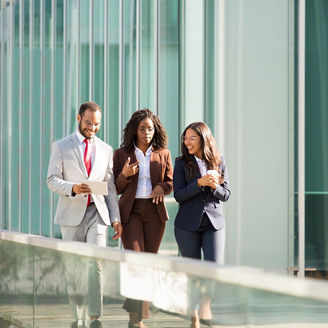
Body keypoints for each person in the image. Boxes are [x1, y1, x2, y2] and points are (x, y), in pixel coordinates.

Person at [47, 101, 122, 328]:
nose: (92, 127)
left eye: (97, 124)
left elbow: (109, 187)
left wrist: (116, 218)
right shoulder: (61, 146)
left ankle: (95, 318)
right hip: (71, 214)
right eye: (88, 122)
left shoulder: (106, 149)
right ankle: (76, 316)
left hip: (97, 213)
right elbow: (51, 180)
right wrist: (73, 187)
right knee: (74, 266)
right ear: (79, 119)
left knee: (95, 263)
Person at [113, 108, 173, 328]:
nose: (147, 132)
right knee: (136, 263)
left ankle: (138, 318)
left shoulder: (163, 153)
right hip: (131, 213)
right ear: (135, 131)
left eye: (150, 128)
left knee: (148, 265)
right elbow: (116, 188)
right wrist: (124, 175)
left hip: (155, 214)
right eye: (142, 128)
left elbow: (170, 182)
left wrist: (161, 187)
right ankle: (134, 319)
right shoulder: (121, 154)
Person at [173, 122, 231, 328]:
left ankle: (206, 305)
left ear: (203, 139)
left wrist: (214, 186)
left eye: (192, 138)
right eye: (185, 138)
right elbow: (178, 195)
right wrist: (199, 183)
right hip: (187, 224)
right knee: (192, 270)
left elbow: (226, 195)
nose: (186, 142)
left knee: (214, 267)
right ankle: (194, 312)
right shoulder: (180, 163)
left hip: (214, 224)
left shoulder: (219, 162)